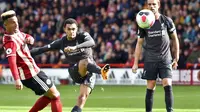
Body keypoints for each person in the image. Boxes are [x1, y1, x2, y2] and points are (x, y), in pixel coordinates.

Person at [31, 18, 110, 112]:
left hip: (89, 71)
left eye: (73, 29)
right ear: (65, 29)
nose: (72, 31)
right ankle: (101, 71)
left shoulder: (83, 35)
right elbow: (42, 49)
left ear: (77, 29)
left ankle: (101, 72)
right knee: (84, 61)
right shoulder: (62, 42)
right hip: (75, 71)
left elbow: (92, 43)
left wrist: (75, 47)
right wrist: (24, 53)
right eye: (69, 29)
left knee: (82, 98)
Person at [1, 10, 62, 112]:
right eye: (12, 22)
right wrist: (17, 79)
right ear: (6, 25)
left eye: (16, 21)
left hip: (34, 71)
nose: (16, 24)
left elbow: (27, 36)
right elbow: (12, 62)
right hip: (30, 74)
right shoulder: (9, 41)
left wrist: (31, 39)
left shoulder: (17, 32)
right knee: (55, 95)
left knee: (50, 96)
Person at [132, 0, 179, 112]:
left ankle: (170, 110)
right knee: (151, 86)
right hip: (150, 59)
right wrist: (135, 63)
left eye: (154, 4)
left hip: (165, 59)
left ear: (158, 5)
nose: (152, 6)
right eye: (149, 4)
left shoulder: (167, 21)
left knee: (167, 83)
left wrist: (176, 58)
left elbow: (175, 39)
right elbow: (139, 44)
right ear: (147, 6)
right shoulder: (143, 23)